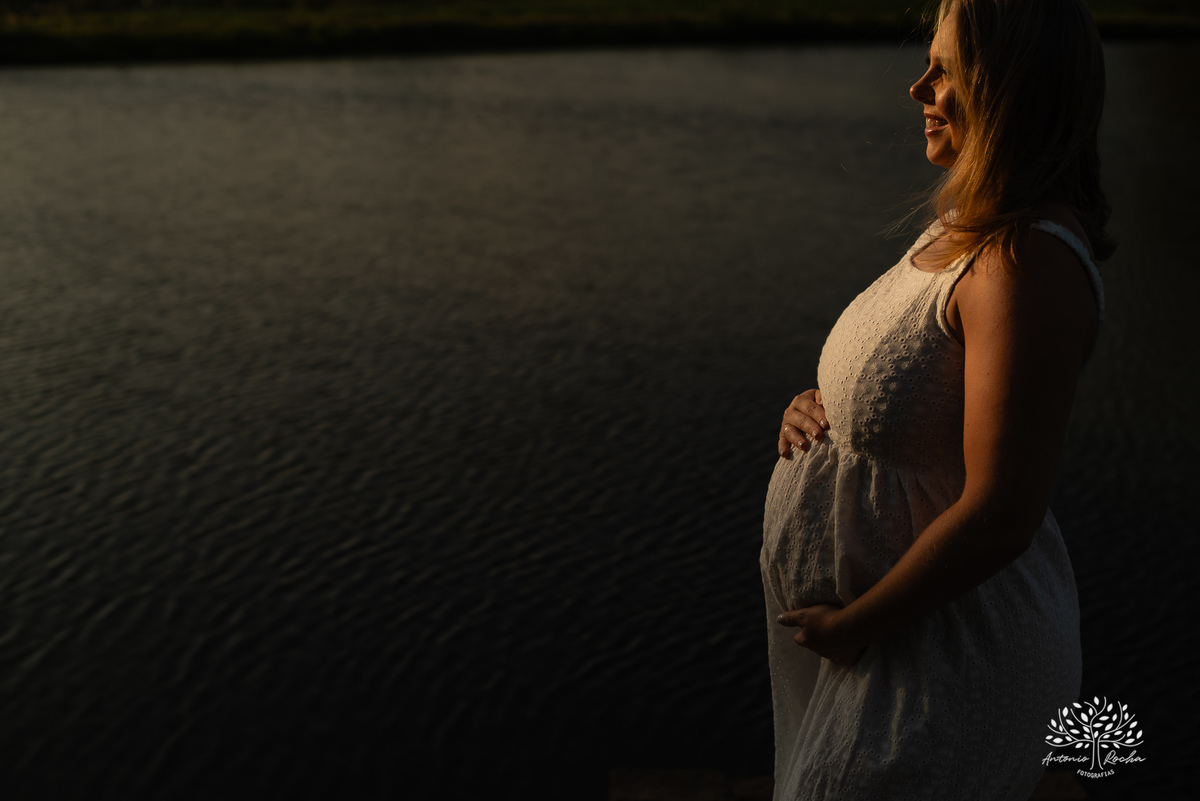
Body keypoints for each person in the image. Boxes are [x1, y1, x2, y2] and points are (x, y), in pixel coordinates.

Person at [759, 0, 1112, 798]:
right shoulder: (966, 224)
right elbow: (908, 401)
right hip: (891, 649)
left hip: (942, 663)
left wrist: (856, 627)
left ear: (1008, 87)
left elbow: (1001, 512)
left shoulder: (1028, 263)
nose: (917, 87)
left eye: (945, 69)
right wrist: (817, 413)